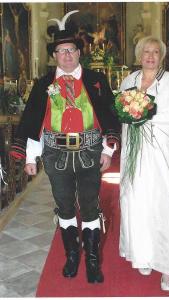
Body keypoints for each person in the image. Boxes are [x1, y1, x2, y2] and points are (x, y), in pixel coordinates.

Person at [10, 11, 120, 284]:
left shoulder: (96, 80)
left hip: (91, 152)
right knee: (64, 206)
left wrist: (107, 151)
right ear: (54, 56)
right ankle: (72, 256)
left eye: (71, 50)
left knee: (91, 206)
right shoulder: (43, 85)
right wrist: (31, 157)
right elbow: (36, 121)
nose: (67, 55)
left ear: (79, 53)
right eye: (61, 51)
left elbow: (108, 115)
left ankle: (93, 262)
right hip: (56, 154)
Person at [119, 36, 169, 291]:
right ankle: (144, 255)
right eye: (146, 52)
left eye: (155, 52)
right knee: (138, 206)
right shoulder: (129, 81)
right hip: (135, 156)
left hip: (160, 156)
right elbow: (122, 115)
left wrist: (148, 112)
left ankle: (168, 271)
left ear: (162, 56)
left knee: (164, 209)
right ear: (139, 55)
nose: (150, 56)